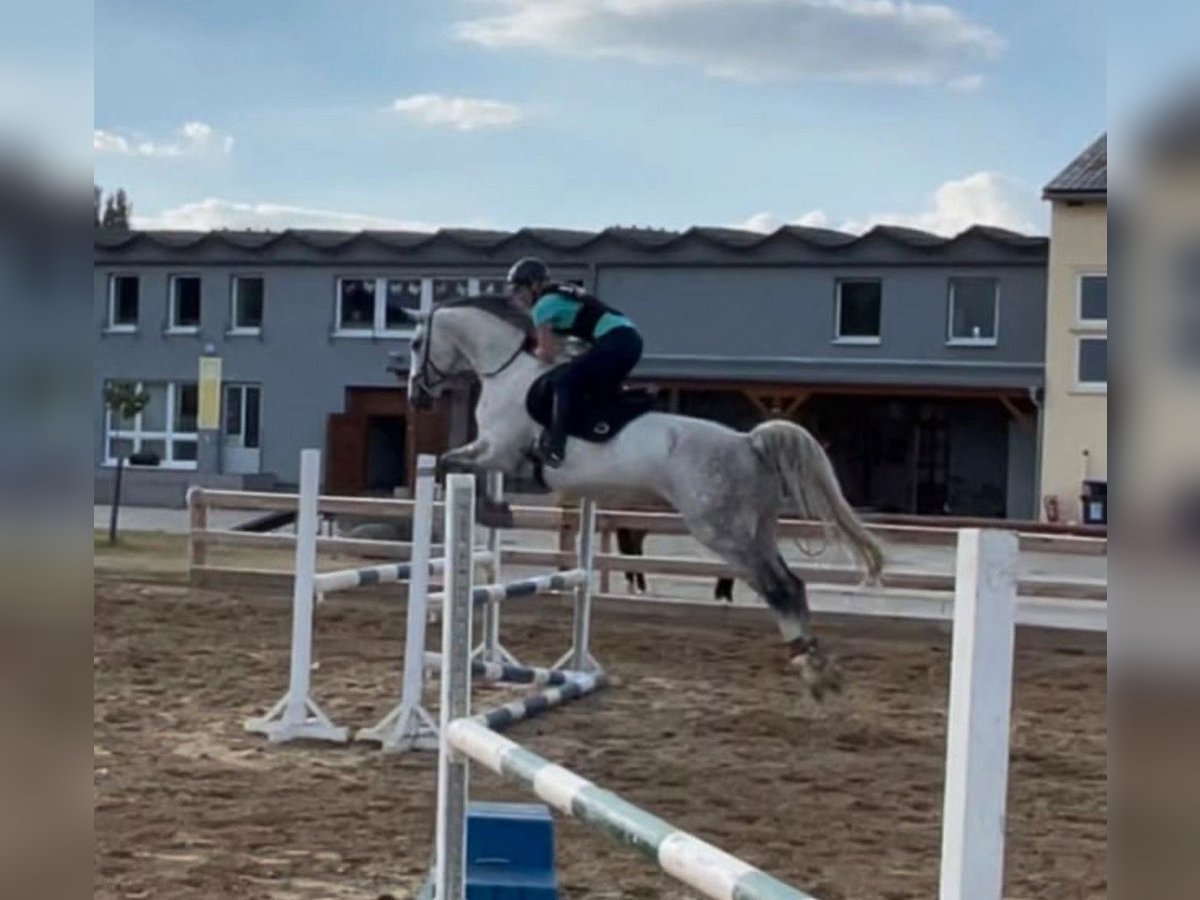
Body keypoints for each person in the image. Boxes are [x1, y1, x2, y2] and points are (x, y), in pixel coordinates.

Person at [506, 256, 643, 467]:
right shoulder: (560, 294)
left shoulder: (542, 306)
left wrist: (528, 353)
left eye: (520, 291)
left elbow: (548, 354)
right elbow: (569, 346)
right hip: (627, 340)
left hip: (616, 340)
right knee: (585, 383)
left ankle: (556, 447)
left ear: (534, 285)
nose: (519, 298)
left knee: (562, 380)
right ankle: (605, 425)